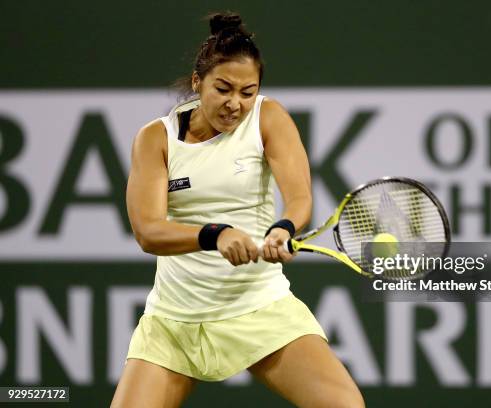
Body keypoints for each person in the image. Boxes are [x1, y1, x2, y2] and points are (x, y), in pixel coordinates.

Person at [111, 11, 365, 408]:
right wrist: (216, 235)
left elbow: (299, 199)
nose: (236, 104)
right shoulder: (155, 139)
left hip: (258, 305)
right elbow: (148, 231)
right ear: (198, 83)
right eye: (223, 89)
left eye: (248, 92)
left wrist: (284, 227)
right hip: (175, 320)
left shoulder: (270, 118)